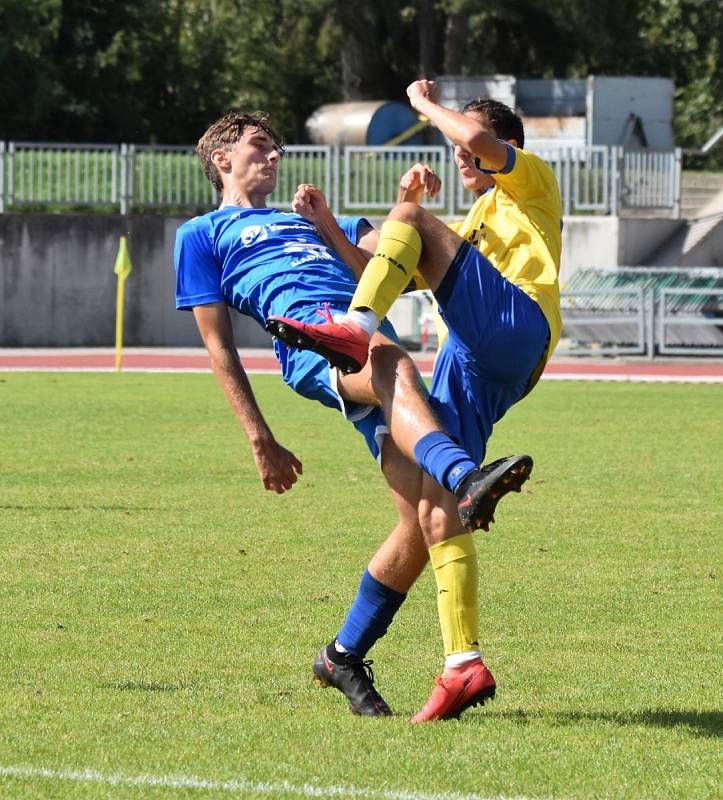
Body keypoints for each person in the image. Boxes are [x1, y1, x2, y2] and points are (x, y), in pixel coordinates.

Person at [173, 110, 528, 721]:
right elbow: (218, 346)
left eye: (276, 146)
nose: (274, 155)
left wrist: (360, 219)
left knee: (423, 520)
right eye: (259, 145)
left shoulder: (312, 217)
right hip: (316, 347)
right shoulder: (201, 234)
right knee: (390, 359)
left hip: (365, 345)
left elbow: (383, 270)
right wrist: (261, 438)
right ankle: (467, 475)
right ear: (221, 159)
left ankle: (341, 655)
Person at [268, 80, 562, 722]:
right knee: (432, 511)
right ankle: (448, 663)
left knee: (409, 224)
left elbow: (475, 142)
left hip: (518, 323)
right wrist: (328, 227)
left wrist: (424, 105)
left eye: (470, 147)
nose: (461, 157)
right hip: (481, 361)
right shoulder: (473, 222)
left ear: (506, 146)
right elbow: (379, 265)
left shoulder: (533, 180)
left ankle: (354, 330)